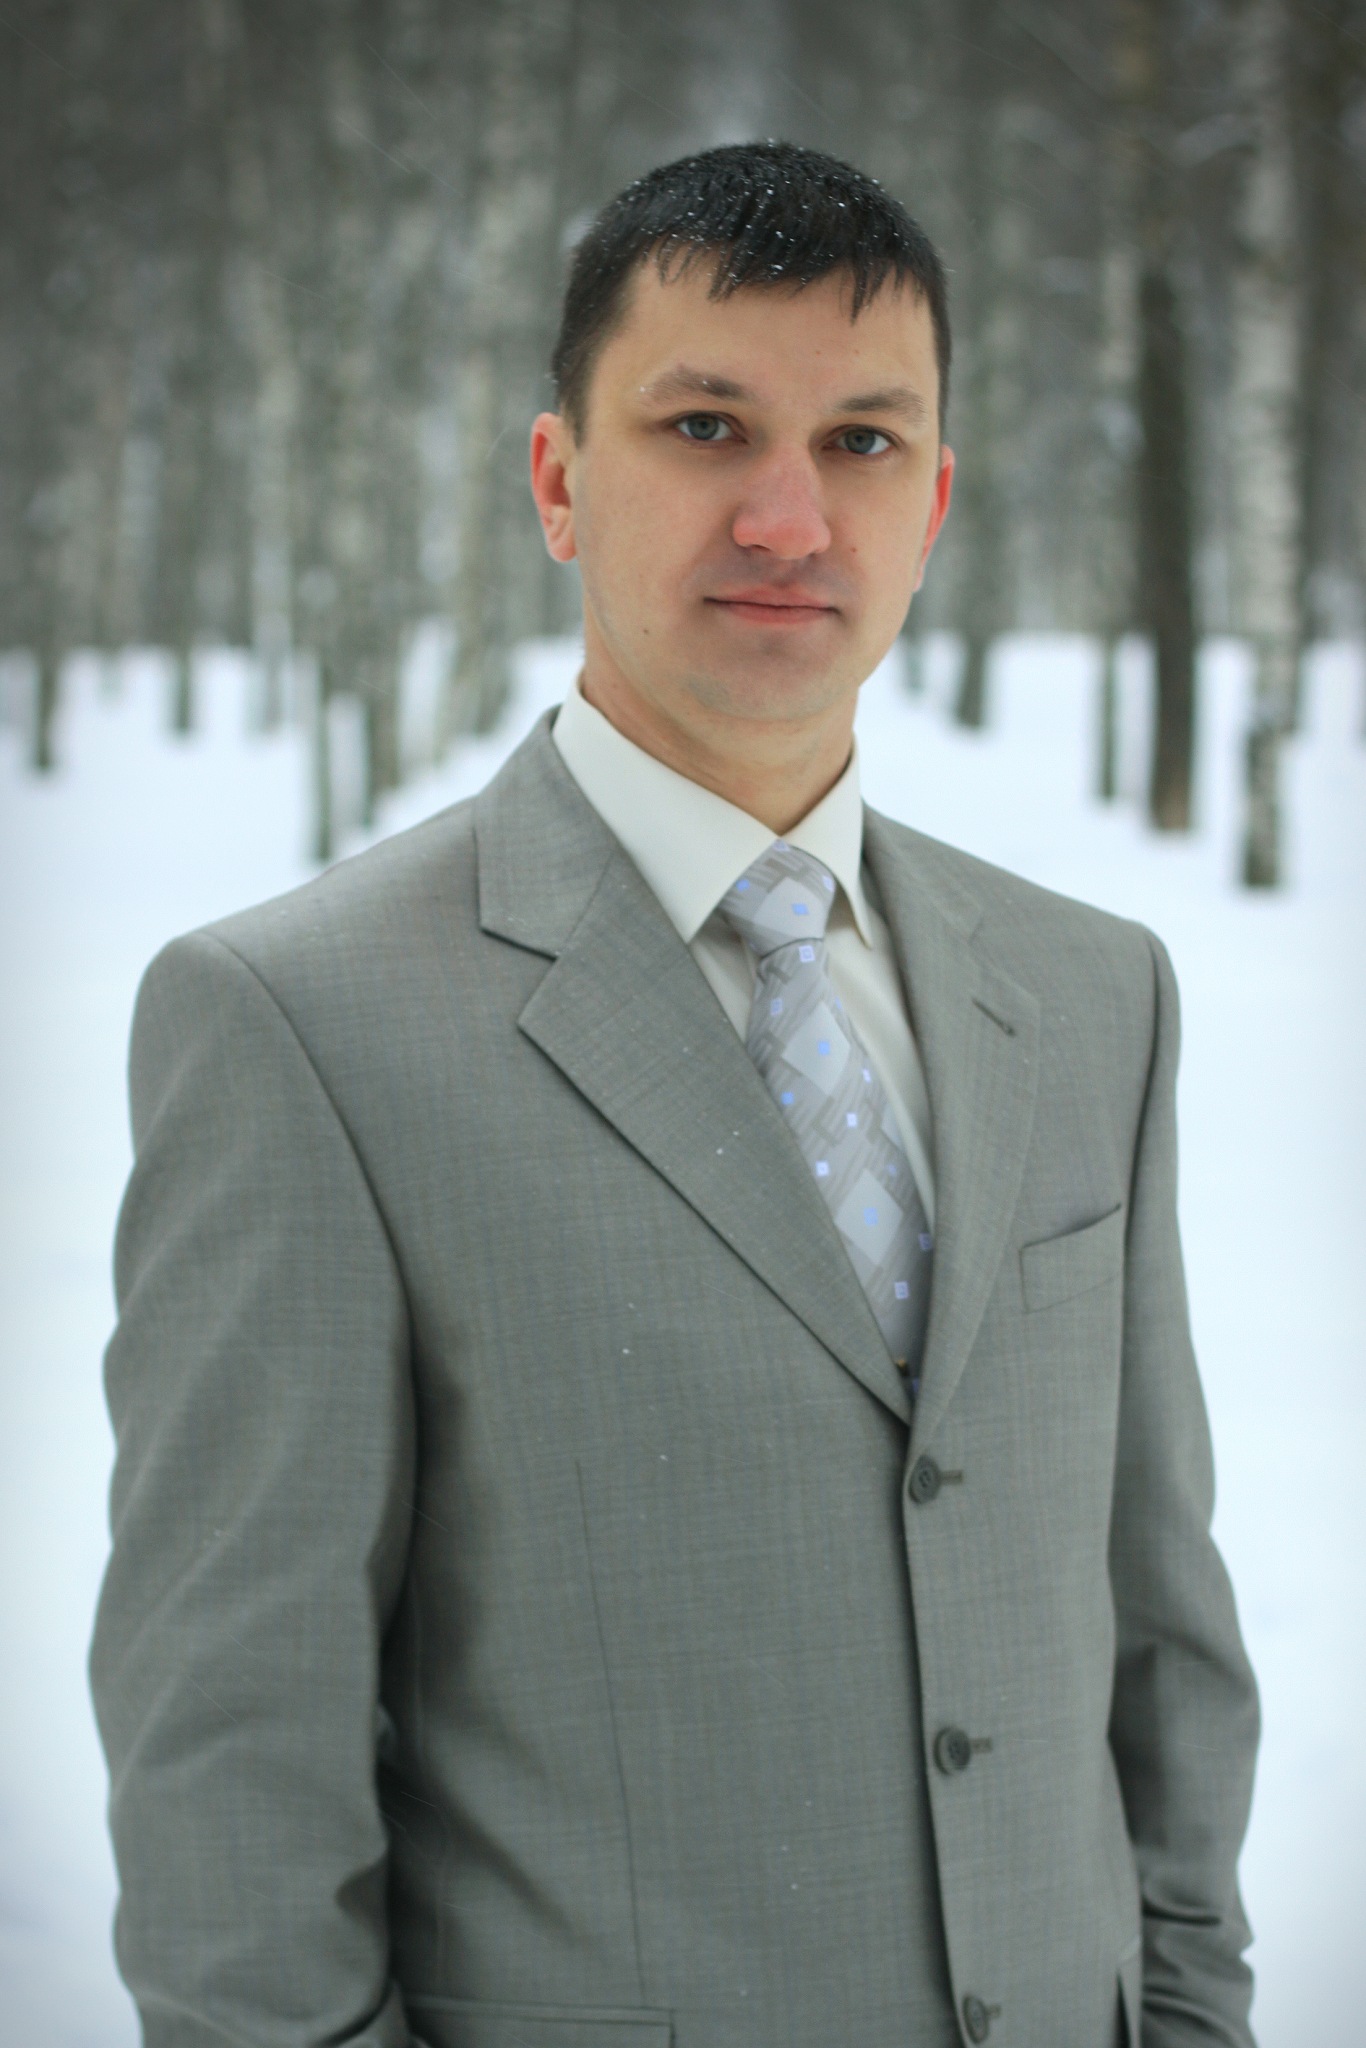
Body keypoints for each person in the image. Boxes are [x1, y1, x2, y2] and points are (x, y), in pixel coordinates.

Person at [91, 142, 1259, 2048]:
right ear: (560, 479)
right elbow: (232, 1775)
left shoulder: (1088, 991)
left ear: (933, 503)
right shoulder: (298, 1026)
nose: (789, 519)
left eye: (861, 442)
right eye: (705, 426)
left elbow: (1159, 1632)